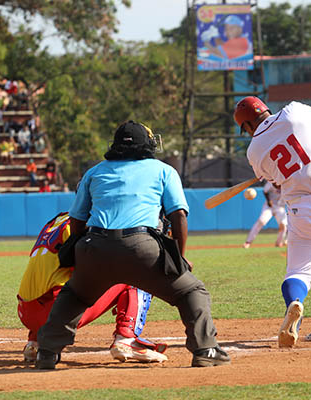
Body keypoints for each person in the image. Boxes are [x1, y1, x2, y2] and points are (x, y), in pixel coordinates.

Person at [35, 120, 230, 369]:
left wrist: (83, 253)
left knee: (74, 295)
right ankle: (205, 350)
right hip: (141, 247)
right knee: (191, 291)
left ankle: (47, 353)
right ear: (147, 144)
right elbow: (178, 216)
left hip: (94, 245)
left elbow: (77, 220)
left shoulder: (94, 172)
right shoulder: (163, 170)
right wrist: (178, 258)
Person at [233, 97, 311, 348]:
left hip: (301, 208)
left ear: (246, 126)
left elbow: (276, 182)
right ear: (265, 108)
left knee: (298, 271)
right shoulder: (294, 110)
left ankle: (294, 303)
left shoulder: (253, 151)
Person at [18, 212, 168, 363]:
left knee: (58, 278)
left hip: (26, 311)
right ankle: (126, 339)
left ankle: (35, 343)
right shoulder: (92, 222)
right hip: (55, 311)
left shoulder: (57, 220)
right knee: (136, 269)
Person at [243, 181, 288, 248]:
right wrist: (269, 200)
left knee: (283, 225)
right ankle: (248, 242)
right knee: (261, 221)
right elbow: (265, 191)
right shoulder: (272, 180)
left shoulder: (288, 183)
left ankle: (279, 242)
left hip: (280, 207)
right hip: (269, 206)